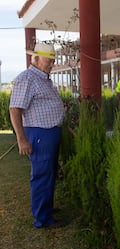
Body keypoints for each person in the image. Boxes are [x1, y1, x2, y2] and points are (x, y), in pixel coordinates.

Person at [9, 42, 65, 228]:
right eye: (48, 60)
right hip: (40, 133)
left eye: (53, 60)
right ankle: (42, 219)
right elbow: (15, 109)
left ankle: (46, 208)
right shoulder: (28, 78)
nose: (51, 64)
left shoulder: (44, 79)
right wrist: (21, 138)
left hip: (50, 132)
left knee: (49, 173)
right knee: (42, 175)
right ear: (35, 59)